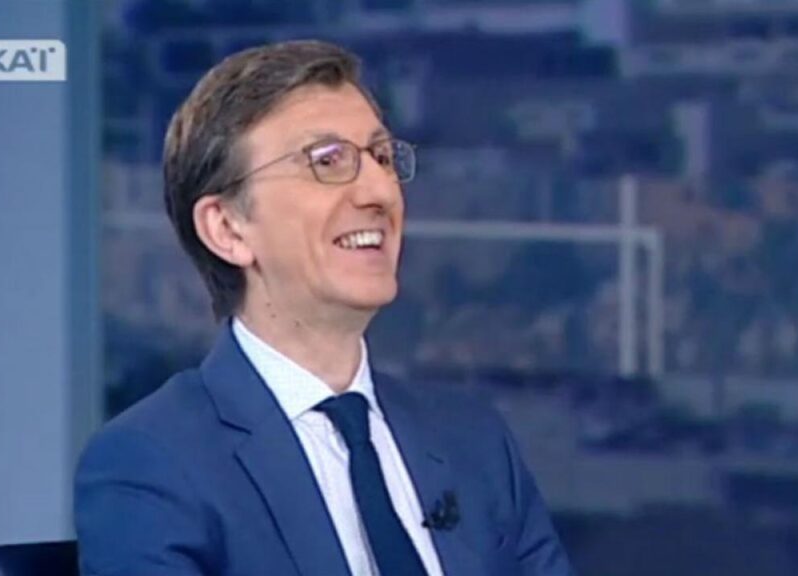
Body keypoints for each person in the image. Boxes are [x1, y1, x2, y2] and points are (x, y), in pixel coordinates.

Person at [74, 40, 574, 576]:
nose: (380, 191)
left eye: (382, 158)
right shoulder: (152, 463)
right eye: (327, 161)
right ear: (228, 230)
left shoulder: (474, 441)